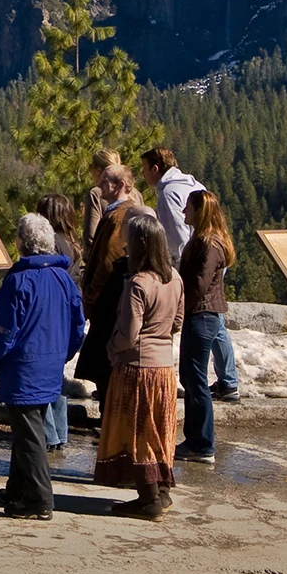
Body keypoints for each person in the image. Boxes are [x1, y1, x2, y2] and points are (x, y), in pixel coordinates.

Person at [0, 214, 85, 521]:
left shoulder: (19, 280)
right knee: (28, 429)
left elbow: (4, 328)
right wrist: (64, 354)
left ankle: (40, 499)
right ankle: (17, 489)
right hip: (50, 364)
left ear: (21, 243)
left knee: (29, 435)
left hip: (23, 368)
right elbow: (77, 325)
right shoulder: (63, 278)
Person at [93, 211, 184, 519]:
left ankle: (148, 500)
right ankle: (162, 492)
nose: (125, 245)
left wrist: (110, 347)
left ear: (141, 244)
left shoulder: (137, 284)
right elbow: (178, 321)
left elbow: (129, 333)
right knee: (160, 429)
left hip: (137, 369)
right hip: (164, 368)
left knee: (139, 431)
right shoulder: (175, 279)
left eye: (130, 240)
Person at [140, 148, 240, 402]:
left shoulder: (169, 193)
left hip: (195, 262)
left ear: (155, 168)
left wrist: (175, 267)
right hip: (211, 258)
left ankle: (225, 383)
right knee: (215, 320)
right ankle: (228, 380)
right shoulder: (191, 183)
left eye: (144, 168)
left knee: (207, 319)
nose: (143, 174)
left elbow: (176, 235)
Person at [74, 165, 151, 399]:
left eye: (105, 181)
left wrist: (91, 298)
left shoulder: (120, 217)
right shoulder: (115, 213)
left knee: (105, 365)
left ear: (119, 186)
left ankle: (108, 421)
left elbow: (108, 262)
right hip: (109, 300)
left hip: (108, 301)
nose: (99, 185)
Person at [176, 190, 237, 464]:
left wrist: (179, 303)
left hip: (201, 314)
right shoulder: (203, 240)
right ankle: (195, 440)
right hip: (200, 314)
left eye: (187, 207)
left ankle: (202, 444)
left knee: (195, 379)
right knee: (190, 377)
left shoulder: (208, 244)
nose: (183, 212)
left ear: (200, 211)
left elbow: (200, 284)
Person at [34, 193, 81, 456]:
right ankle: (60, 432)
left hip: (50, 313)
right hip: (66, 312)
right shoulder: (72, 243)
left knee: (44, 379)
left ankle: (49, 434)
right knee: (57, 377)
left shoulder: (51, 244)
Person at [81, 148, 122, 259]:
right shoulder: (134, 192)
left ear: (98, 170)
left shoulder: (96, 194)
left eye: (91, 168)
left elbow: (91, 236)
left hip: (104, 261)